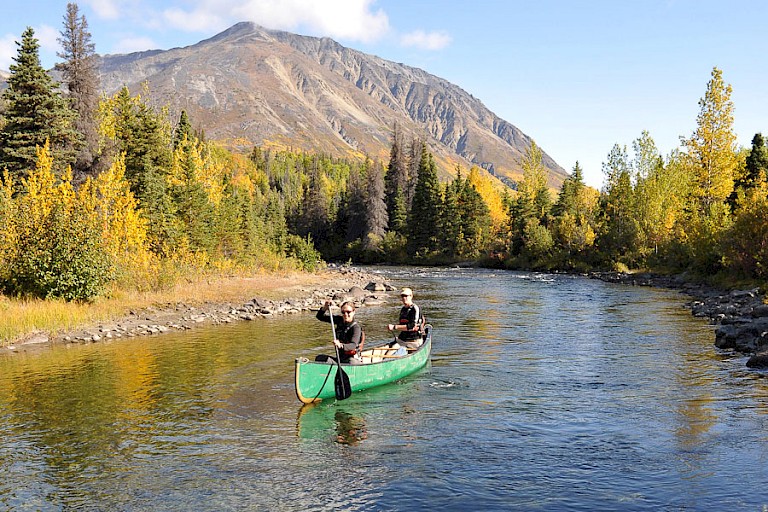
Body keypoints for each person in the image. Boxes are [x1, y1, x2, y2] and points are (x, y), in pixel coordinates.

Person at [315, 300, 363, 365]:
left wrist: (340, 345)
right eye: (343, 312)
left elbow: (353, 345)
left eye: (348, 312)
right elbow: (320, 317)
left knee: (351, 362)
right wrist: (325, 307)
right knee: (320, 358)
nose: (345, 315)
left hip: (352, 359)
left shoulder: (356, 328)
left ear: (353, 312)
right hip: (340, 359)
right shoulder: (339, 320)